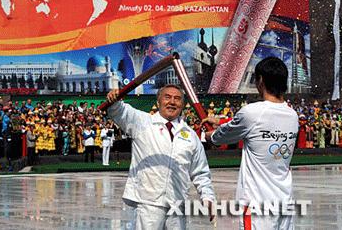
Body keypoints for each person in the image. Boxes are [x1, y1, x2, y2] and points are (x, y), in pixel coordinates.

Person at [203, 57, 298, 230]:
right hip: (285, 202)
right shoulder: (293, 115)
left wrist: (208, 135)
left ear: (260, 80)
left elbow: (220, 137)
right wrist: (221, 122)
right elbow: (251, 126)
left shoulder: (251, 112)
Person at [106, 84, 215, 229]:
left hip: (177, 205)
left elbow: (200, 172)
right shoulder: (142, 122)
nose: (172, 102)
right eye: (167, 97)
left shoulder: (190, 135)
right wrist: (114, 99)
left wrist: (207, 196)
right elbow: (119, 111)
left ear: (182, 105)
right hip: (148, 203)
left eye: (177, 99)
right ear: (158, 102)